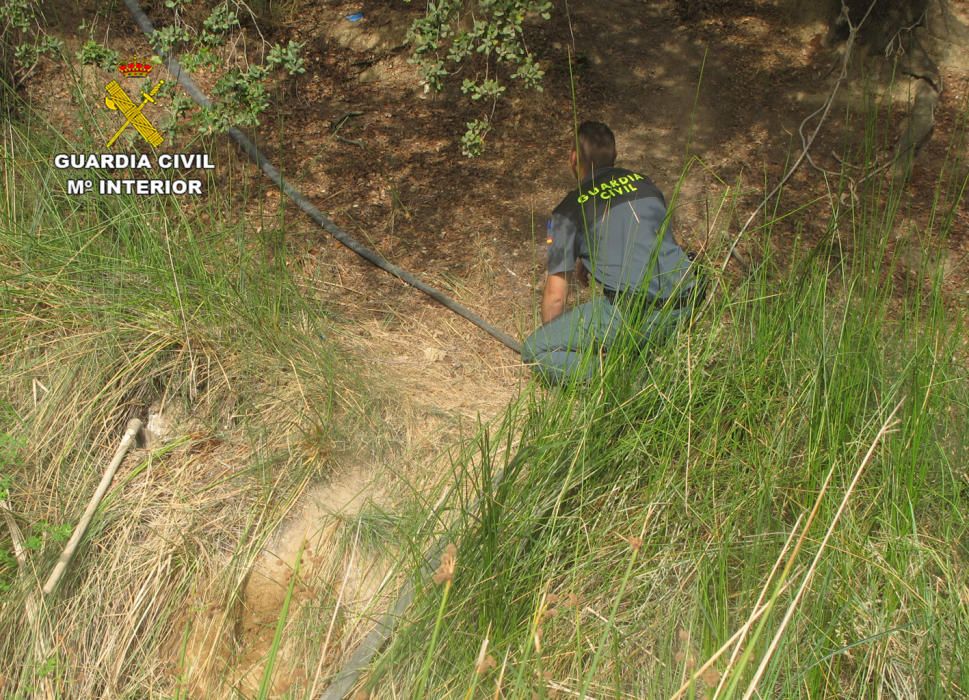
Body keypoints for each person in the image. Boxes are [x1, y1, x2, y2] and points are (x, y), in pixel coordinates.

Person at [522, 121, 702, 385]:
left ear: (573, 158)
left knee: (537, 351)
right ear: (614, 157)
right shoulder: (646, 185)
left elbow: (556, 297)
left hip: (633, 314)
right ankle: (654, 362)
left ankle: (627, 382)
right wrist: (588, 256)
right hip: (686, 304)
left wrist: (559, 341)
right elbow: (647, 242)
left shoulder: (569, 210)